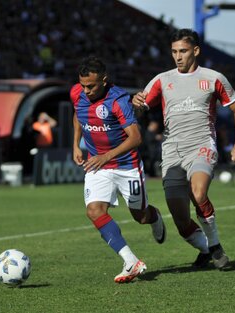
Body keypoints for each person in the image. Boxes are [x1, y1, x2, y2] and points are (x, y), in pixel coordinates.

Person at [132, 29, 235, 269]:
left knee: (198, 193)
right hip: (172, 151)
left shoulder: (214, 78)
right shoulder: (162, 79)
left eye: (183, 51)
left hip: (202, 145)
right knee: (180, 219)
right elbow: (141, 106)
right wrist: (136, 103)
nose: (178, 56)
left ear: (196, 51)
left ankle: (215, 247)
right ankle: (205, 249)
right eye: (174, 52)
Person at [70, 57, 166, 283]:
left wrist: (106, 156)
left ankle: (156, 217)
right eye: (83, 85)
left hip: (126, 166)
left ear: (104, 80)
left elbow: (136, 138)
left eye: (91, 86)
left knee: (140, 217)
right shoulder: (77, 93)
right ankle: (130, 261)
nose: (86, 91)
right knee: (94, 211)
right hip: (98, 166)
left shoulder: (119, 101)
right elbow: (77, 114)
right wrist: (76, 144)